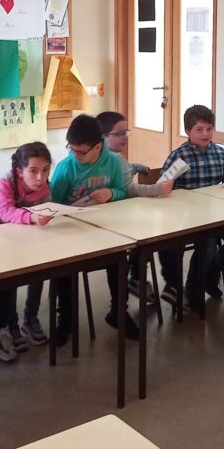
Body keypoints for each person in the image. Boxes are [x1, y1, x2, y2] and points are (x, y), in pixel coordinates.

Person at [50, 114, 135, 344]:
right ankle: (65, 320)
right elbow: (52, 206)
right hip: (70, 232)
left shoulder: (113, 162)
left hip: (106, 228)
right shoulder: (66, 168)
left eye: (81, 151)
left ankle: (118, 312)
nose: (76, 155)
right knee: (64, 269)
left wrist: (110, 193)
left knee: (119, 259)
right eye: (72, 149)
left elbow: (122, 192)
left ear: (98, 146)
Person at [160, 104, 224, 311]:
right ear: (188, 130)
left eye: (209, 128)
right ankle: (194, 289)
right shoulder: (179, 156)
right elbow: (162, 188)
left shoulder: (219, 153)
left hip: (214, 214)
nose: (205, 134)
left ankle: (211, 272)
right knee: (206, 241)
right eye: (199, 129)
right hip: (186, 218)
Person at [0, 142, 54, 360]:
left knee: (40, 269)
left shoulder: (43, 185)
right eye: (33, 171)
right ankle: (10, 324)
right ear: (20, 170)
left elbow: (47, 206)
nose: (40, 177)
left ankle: (30, 317)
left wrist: (45, 216)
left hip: (30, 235)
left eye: (45, 170)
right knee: (10, 277)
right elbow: (5, 212)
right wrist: (31, 217)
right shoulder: (6, 182)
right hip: (0, 239)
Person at [96, 110, 172, 304]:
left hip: (116, 214)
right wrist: (158, 189)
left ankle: (136, 277)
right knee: (147, 233)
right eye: (119, 134)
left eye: (126, 132)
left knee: (144, 230)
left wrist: (136, 167)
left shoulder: (113, 157)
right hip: (114, 219)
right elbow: (129, 189)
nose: (125, 137)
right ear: (103, 137)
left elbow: (124, 172)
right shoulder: (114, 159)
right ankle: (137, 278)